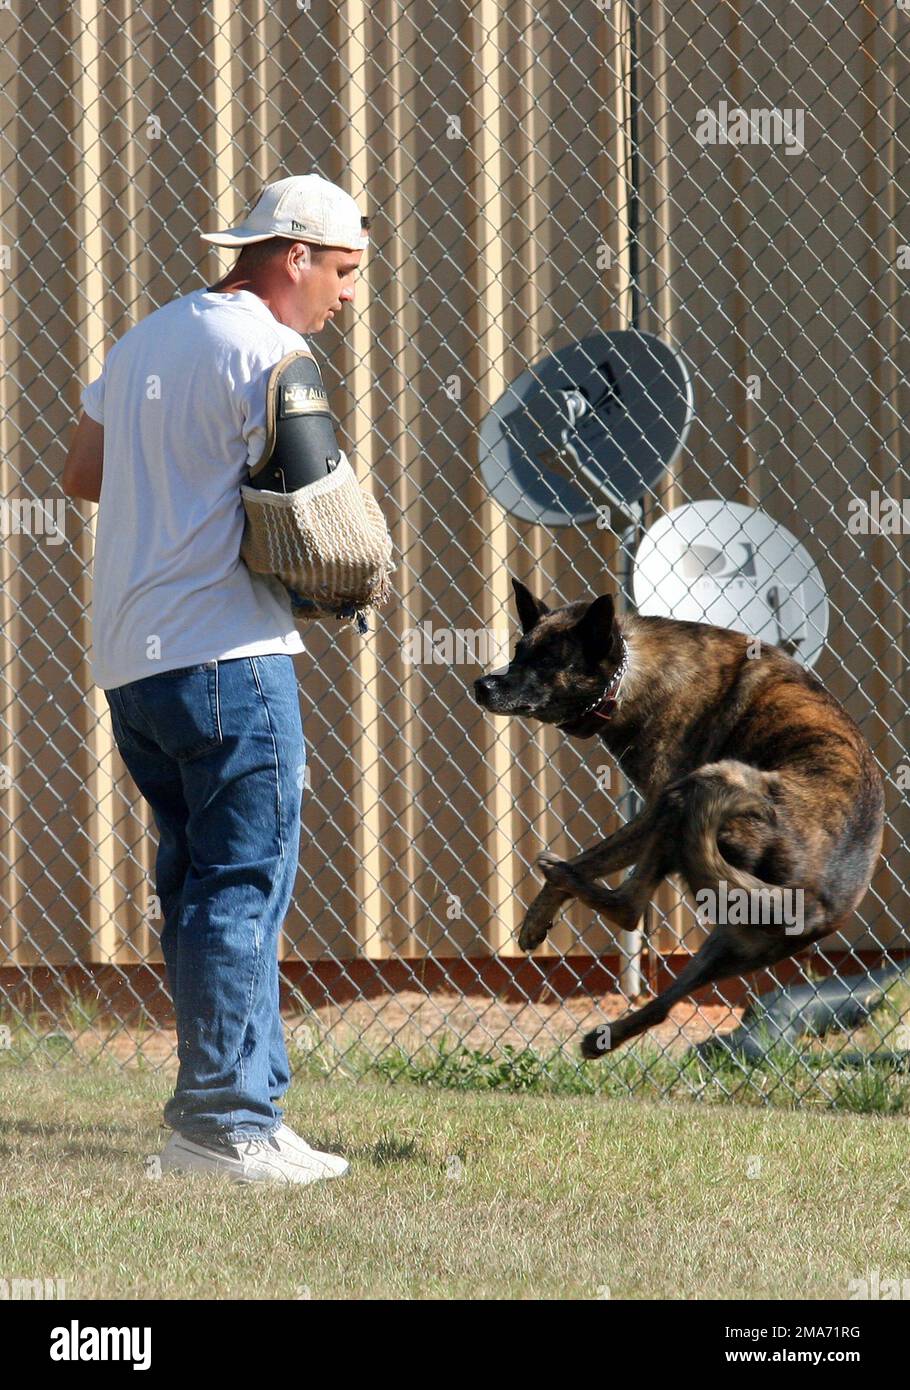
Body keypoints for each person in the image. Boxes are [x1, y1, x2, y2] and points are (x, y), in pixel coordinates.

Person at [62, 174, 369, 1185]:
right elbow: (320, 512)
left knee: (197, 889)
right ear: (292, 256)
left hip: (132, 663)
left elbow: (82, 474)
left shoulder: (144, 338)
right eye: (342, 269)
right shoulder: (273, 351)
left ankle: (236, 1114)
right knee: (242, 887)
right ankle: (228, 1127)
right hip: (229, 658)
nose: (348, 293)